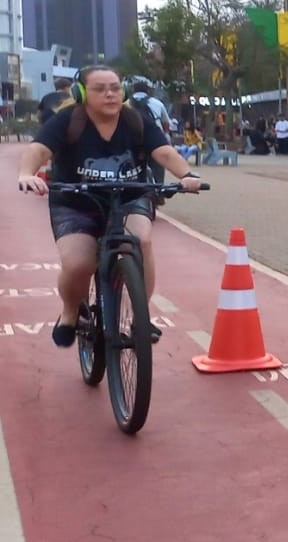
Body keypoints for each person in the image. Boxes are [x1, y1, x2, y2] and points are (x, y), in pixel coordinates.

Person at [15, 65, 205, 349]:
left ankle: (142, 317)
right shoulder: (68, 120)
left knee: (141, 241)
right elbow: (39, 150)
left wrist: (187, 175)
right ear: (81, 93)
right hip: (77, 201)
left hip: (128, 197)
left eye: (115, 88)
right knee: (79, 263)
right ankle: (70, 313)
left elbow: (163, 151)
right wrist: (27, 173)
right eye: (100, 89)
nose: (110, 94)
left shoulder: (134, 120)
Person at [129, 82, 172, 183]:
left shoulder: (125, 104)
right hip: (155, 143)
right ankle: (159, 192)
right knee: (158, 167)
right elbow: (166, 124)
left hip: (133, 144)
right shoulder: (157, 103)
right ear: (148, 91)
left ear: (133, 90)